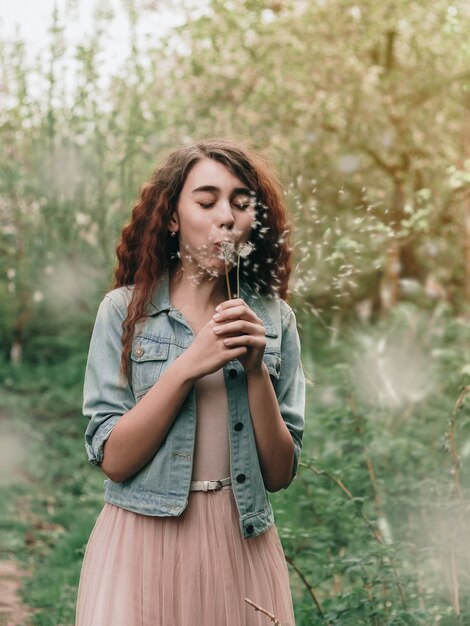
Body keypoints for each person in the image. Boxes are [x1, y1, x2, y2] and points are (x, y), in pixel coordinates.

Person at [75, 138, 305, 626]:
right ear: (173, 218)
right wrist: (187, 366)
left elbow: (281, 474)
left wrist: (255, 369)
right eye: (206, 201)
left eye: (242, 204)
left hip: (239, 542)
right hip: (142, 540)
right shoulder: (123, 311)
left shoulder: (275, 319)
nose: (227, 215)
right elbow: (114, 460)